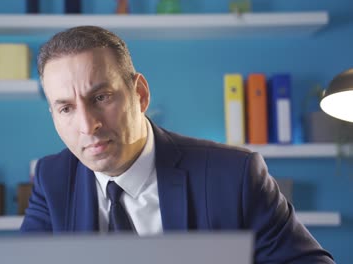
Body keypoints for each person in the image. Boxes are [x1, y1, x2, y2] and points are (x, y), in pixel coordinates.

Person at [21, 25, 334, 263]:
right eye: (66, 108)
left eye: (101, 98)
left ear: (140, 94)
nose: (88, 126)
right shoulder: (53, 178)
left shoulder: (233, 175)